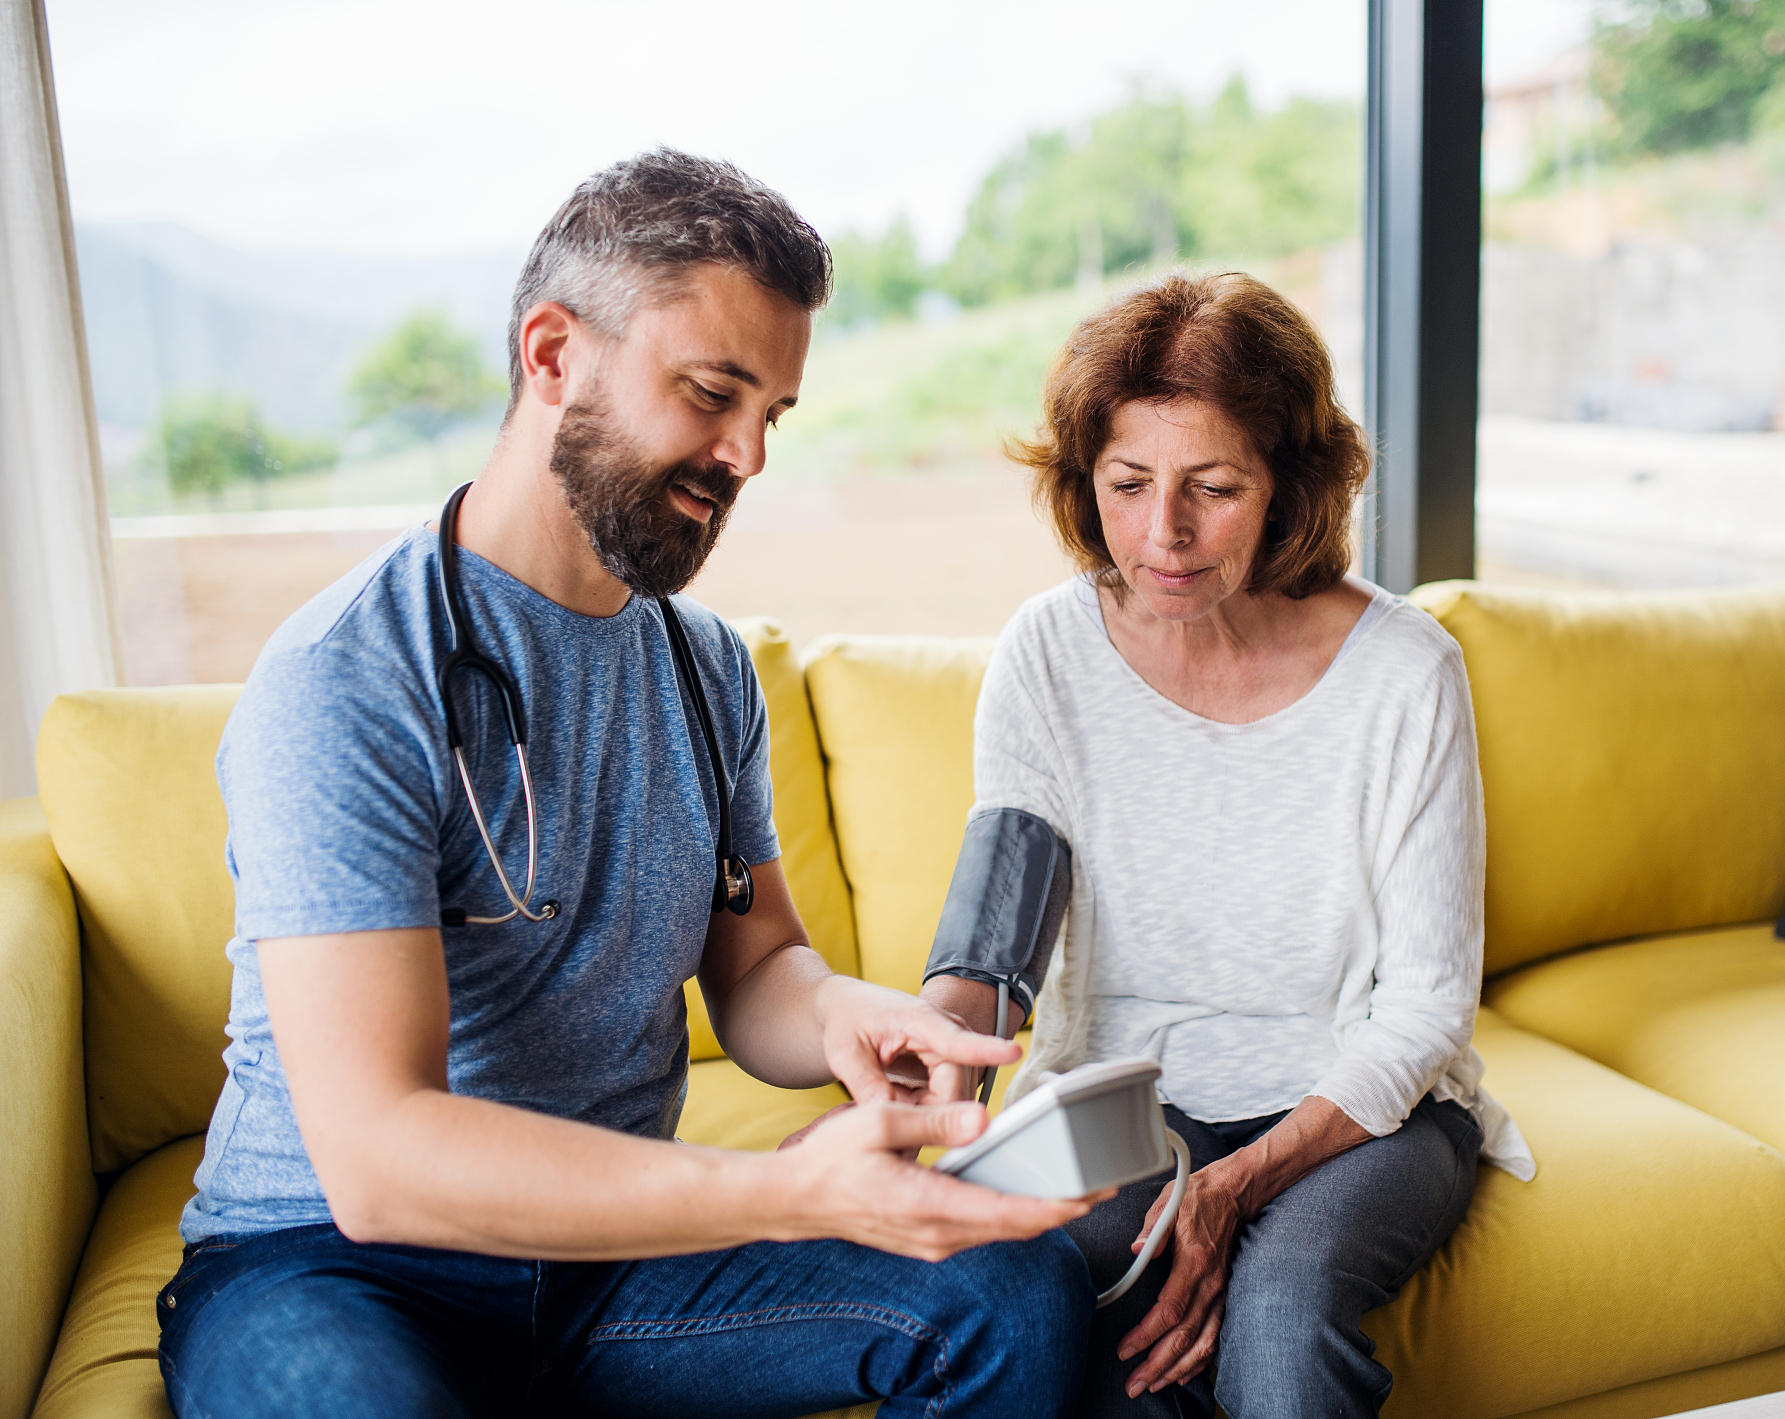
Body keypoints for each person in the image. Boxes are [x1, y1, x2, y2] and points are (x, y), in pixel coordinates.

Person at [158, 149, 1098, 1419]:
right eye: (714, 392)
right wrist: (783, 1192)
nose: (748, 455)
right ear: (552, 356)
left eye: (773, 412)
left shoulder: (706, 668)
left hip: (610, 1267)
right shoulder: (348, 680)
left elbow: (759, 967)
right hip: (332, 1267)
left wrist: (846, 1023)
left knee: (1012, 1291)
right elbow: (379, 1157)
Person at [921, 270, 1536, 1418]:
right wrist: (932, 1078)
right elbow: (993, 937)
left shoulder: (1406, 674)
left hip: (1363, 1105)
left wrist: (1235, 1191)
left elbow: (1423, 1008)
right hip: (1122, 1103)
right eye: (1127, 484)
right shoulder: (1046, 655)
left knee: (1280, 1306)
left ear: (1288, 489)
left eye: (1212, 487)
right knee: (1091, 1298)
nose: (1163, 535)